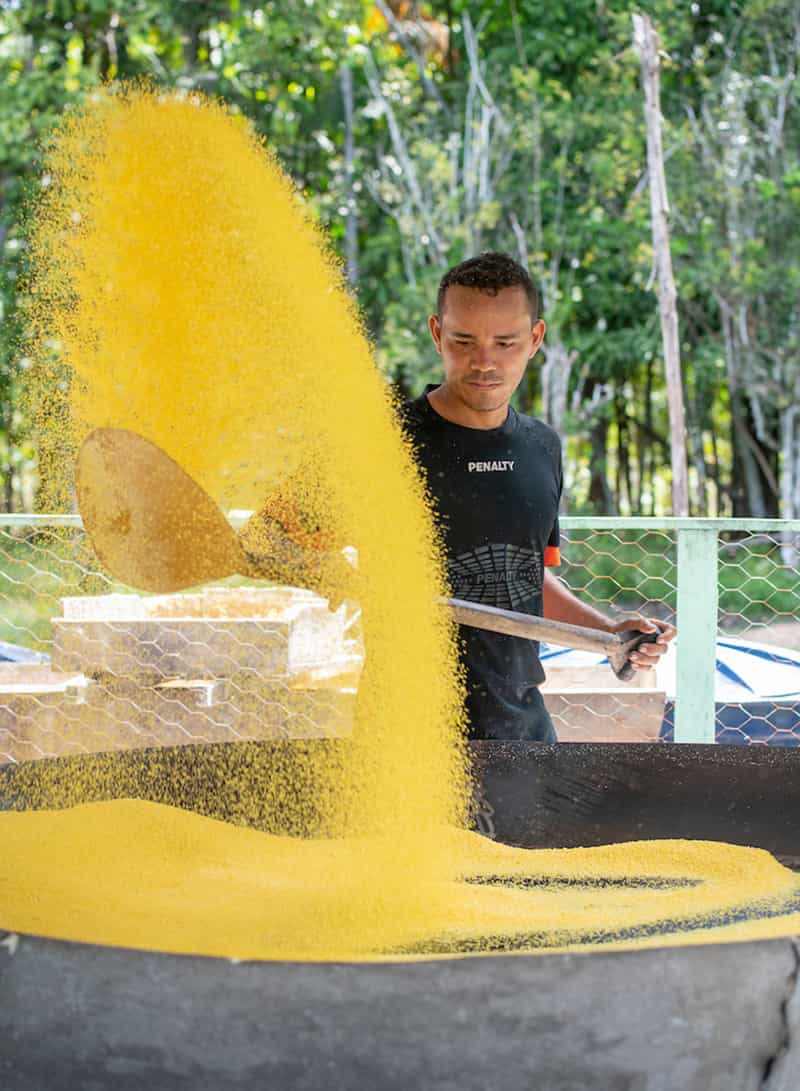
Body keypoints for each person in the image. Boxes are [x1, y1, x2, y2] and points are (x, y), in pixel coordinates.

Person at [399, 252, 676, 742]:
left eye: (505, 343)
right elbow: (272, 542)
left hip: (520, 725)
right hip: (408, 733)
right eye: (464, 340)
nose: (484, 361)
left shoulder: (541, 447)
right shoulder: (384, 442)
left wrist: (609, 635)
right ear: (438, 334)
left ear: (535, 340)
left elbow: (526, 580)